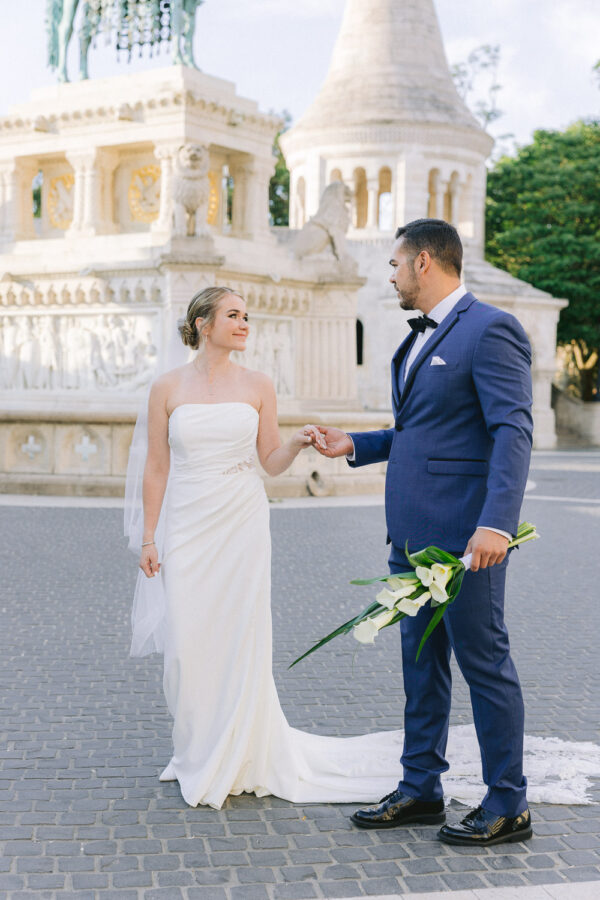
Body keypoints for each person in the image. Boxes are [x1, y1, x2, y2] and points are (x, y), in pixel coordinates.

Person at [133, 285, 408, 809]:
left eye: (245, 316)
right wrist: (149, 535)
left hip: (241, 521)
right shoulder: (166, 387)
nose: (244, 324)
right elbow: (156, 466)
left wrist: (299, 443)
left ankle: (239, 751)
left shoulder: (259, 384)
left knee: (238, 633)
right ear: (202, 326)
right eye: (232, 316)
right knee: (188, 643)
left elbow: (270, 461)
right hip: (188, 524)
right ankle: (197, 748)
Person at [311, 219, 534, 846]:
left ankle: (508, 802)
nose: (390, 276)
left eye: (394, 265)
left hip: (468, 539)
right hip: (409, 536)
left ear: (425, 263)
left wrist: (496, 524)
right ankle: (420, 788)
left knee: (483, 664)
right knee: (421, 663)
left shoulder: (492, 329)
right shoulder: (411, 342)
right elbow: (420, 432)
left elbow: (513, 432)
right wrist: (356, 443)